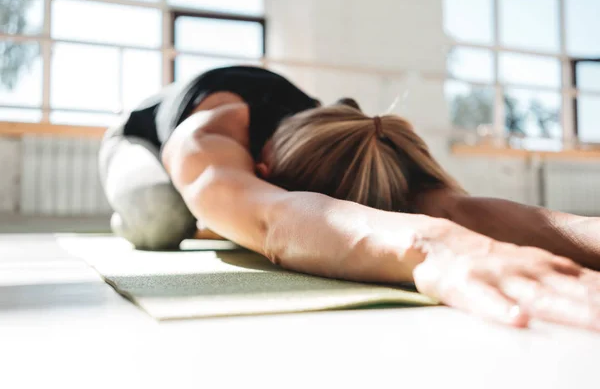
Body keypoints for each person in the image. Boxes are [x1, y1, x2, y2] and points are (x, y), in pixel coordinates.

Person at [100, 65, 600, 332]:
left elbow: (452, 206)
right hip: (135, 138)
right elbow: (274, 222)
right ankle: (197, 216)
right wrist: (437, 248)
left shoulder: (347, 136)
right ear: (264, 172)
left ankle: (216, 217)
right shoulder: (207, 140)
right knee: (159, 216)